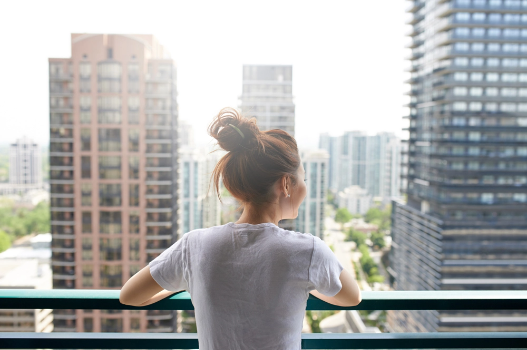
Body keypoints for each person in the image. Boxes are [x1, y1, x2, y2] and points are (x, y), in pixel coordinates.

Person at [119, 107, 361, 349]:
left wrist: (187, 284)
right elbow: (351, 297)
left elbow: (129, 295)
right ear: (286, 184)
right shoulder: (308, 251)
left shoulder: (195, 246)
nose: (305, 188)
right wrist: (308, 284)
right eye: (303, 179)